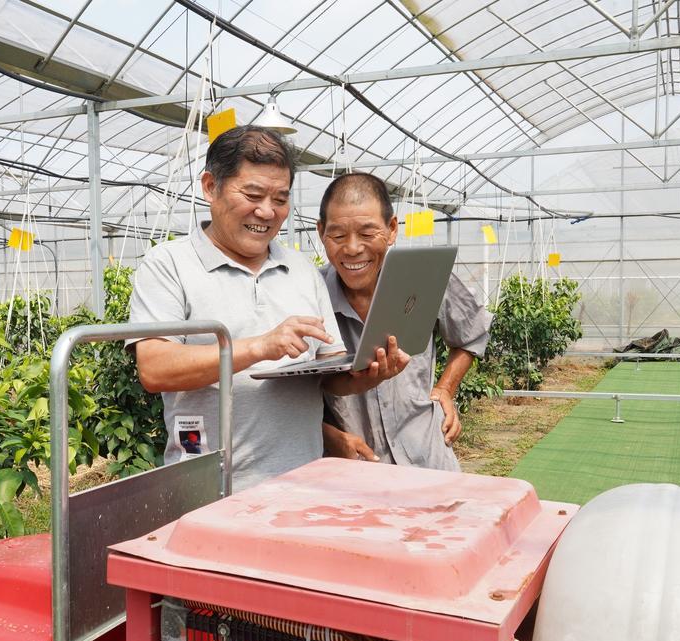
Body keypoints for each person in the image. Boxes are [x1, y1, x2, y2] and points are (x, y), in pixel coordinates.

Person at [128, 126, 409, 491]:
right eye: (253, 194)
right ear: (211, 186)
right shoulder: (168, 264)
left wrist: (370, 375)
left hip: (304, 482)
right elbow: (155, 367)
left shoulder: (303, 271)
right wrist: (259, 347)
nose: (267, 211)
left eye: (280, 198)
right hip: (212, 487)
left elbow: (331, 374)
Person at [317, 173, 490, 471]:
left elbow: (472, 334)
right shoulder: (309, 294)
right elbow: (287, 389)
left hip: (428, 459)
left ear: (392, 229)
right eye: (338, 235)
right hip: (355, 469)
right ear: (321, 233)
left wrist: (445, 389)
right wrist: (329, 435)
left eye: (368, 233)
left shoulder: (422, 278)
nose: (353, 248)